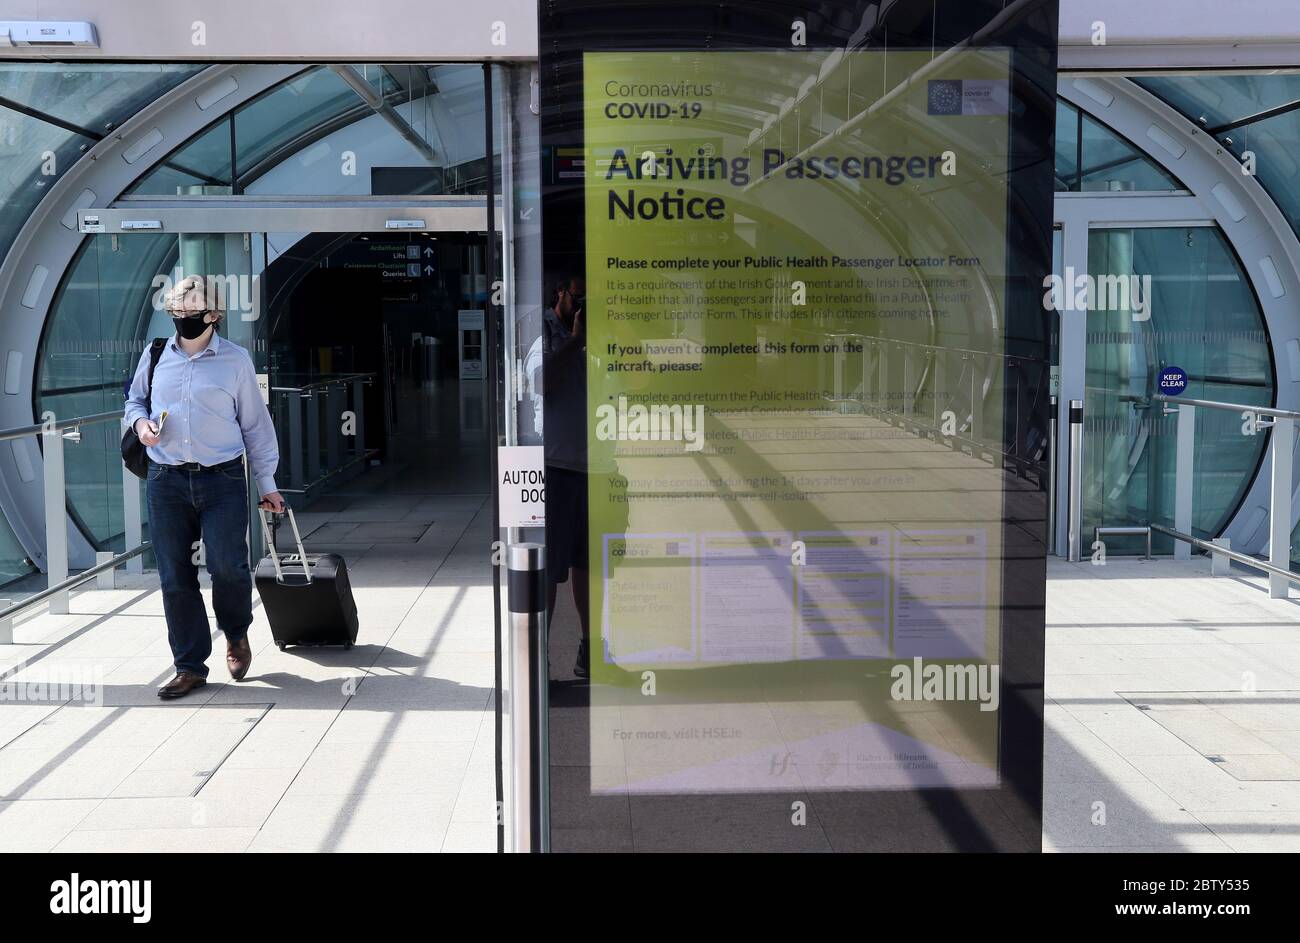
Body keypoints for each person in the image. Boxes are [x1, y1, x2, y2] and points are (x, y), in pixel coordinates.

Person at [124, 275, 284, 699]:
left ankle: (236, 633)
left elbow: (255, 425)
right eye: (175, 313)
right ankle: (190, 666)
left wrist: (267, 482)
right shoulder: (156, 354)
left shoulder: (235, 361)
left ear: (213, 315)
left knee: (228, 566)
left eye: (191, 314)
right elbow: (134, 402)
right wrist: (141, 426)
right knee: (175, 576)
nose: (182, 321)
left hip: (222, 478)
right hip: (166, 479)